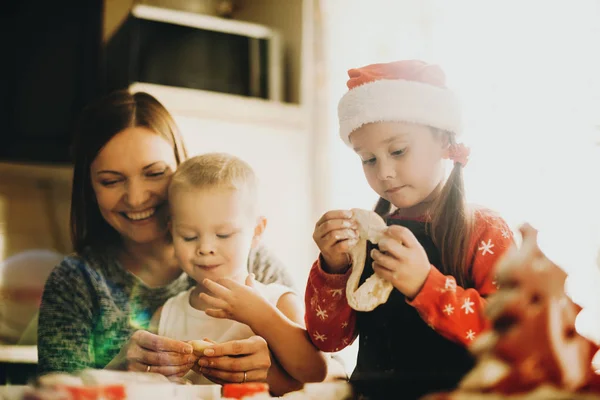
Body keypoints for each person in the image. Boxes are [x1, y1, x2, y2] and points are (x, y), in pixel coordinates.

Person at [37, 90, 296, 383]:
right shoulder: (76, 281)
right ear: (90, 187)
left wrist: (272, 371)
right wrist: (121, 369)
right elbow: (53, 390)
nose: (135, 199)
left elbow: (329, 371)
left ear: (180, 167)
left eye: (155, 173)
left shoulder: (248, 259)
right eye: (111, 180)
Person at [304, 60, 515, 394]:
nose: (384, 172)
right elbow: (327, 339)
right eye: (368, 159)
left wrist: (425, 285)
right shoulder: (367, 237)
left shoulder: (484, 229)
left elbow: (509, 336)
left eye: (398, 151)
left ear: (445, 142)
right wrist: (333, 268)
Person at [149, 153, 328, 394]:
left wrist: (260, 315)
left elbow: (315, 373)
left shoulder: (278, 301)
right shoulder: (167, 315)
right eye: (189, 236)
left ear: (256, 231)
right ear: (171, 233)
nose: (205, 248)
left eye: (223, 234)